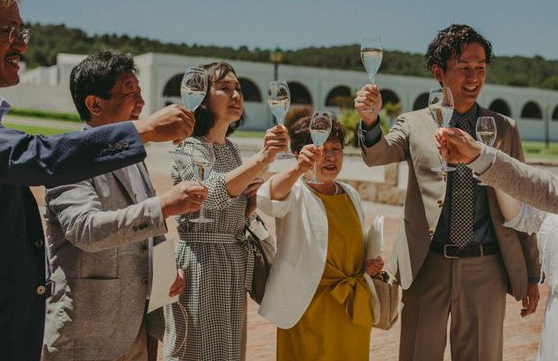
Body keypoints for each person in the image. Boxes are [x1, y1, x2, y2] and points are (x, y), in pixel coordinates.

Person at [0, 0, 195, 361]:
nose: (21, 44)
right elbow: (32, 157)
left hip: (125, 329)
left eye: (23, 31)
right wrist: (145, 132)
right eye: (8, 31)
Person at [354, 24, 541, 360]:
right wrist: (370, 121)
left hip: (487, 268)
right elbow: (378, 155)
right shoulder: (412, 123)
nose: (474, 77)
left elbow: (520, 202)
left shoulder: (505, 129)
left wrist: (530, 272)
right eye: (464, 68)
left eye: (480, 68)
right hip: (427, 266)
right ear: (438, 72)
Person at [42, 51, 208, 360]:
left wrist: (164, 271)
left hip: (139, 330)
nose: (142, 103)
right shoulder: (70, 158)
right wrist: (164, 206)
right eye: (130, 90)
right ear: (95, 104)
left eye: (140, 91)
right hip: (89, 333)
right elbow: (86, 230)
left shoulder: (135, 157)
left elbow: (142, 232)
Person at [437, 108, 558, 361]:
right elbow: (522, 216)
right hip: (557, 322)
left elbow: (549, 188)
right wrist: (492, 170)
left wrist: (483, 156)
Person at [164, 61, 288, 361]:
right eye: (224, 88)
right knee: (194, 350)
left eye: (239, 89)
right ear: (203, 98)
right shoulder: (189, 147)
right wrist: (262, 158)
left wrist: (250, 204)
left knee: (227, 351)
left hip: (232, 264)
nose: (236, 95)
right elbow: (207, 196)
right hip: (200, 264)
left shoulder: (231, 150)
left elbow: (229, 214)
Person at [255, 116, 384, 361]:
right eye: (321, 150)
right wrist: (298, 169)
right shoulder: (294, 190)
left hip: (351, 307)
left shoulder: (350, 194)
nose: (331, 156)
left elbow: (352, 245)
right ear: (300, 154)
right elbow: (267, 197)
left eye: (336, 149)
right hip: (307, 306)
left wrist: (368, 266)